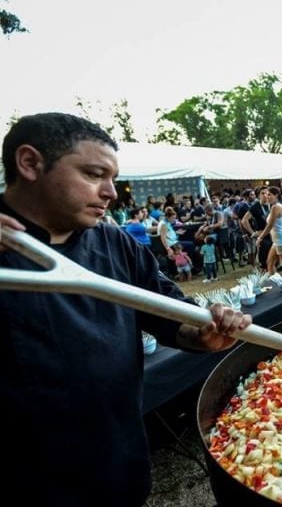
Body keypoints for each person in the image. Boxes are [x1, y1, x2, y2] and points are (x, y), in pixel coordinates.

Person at [0, 112, 251, 506]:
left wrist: (204, 335)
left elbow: (174, 319)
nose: (112, 192)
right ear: (30, 163)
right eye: (94, 174)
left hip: (119, 460)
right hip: (26, 482)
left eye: (113, 178)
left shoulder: (115, 244)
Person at [256, 186, 282, 274]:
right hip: (277, 240)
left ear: (276, 195)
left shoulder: (276, 207)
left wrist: (260, 238)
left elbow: (270, 225)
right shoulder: (277, 206)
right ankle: (276, 282)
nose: (267, 197)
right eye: (266, 194)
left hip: (281, 240)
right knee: (270, 263)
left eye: (269, 195)